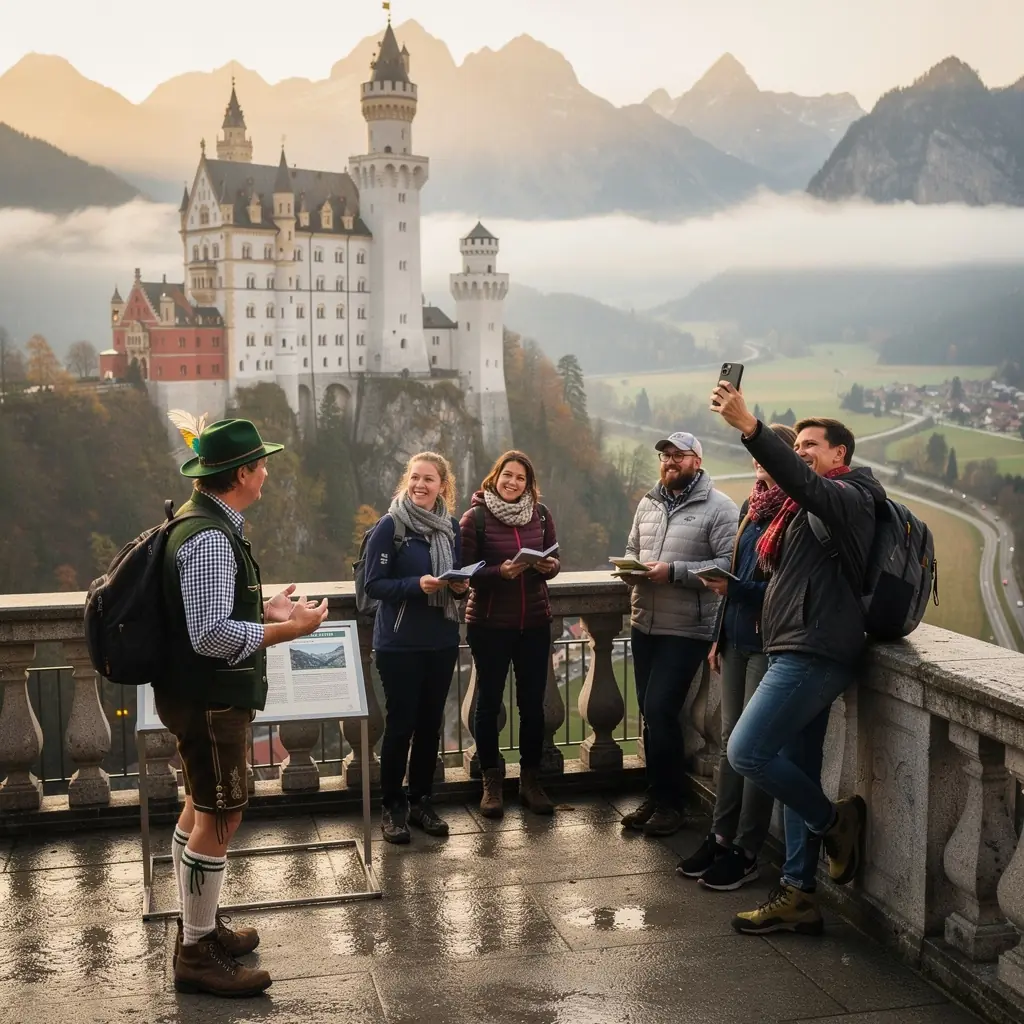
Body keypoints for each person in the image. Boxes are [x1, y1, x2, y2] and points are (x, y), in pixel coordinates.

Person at [157, 417, 329, 997]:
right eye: (261, 464)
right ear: (240, 475)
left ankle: (198, 926)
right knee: (222, 816)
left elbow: (211, 616)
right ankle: (196, 953)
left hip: (203, 697)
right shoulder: (208, 537)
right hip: (212, 700)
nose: (267, 473)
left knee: (199, 806)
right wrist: (292, 629)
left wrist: (267, 607)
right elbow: (208, 635)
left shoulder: (205, 522)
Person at [710, 383, 883, 936]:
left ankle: (836, 821)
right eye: (799, 442)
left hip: (814, 652)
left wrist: (752, 429)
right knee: (800, 767)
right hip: (793, 645)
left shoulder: (852, 497)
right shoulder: (800, 508)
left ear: (841, 456)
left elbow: (802, 482)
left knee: (746, 750)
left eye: (813, 444)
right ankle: (799, 894)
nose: (804, 450)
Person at [677, 422, 796, 891]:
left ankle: (747, 849)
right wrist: (717, 636)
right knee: (729, 744)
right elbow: (735, 572)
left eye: (771, 455)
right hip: (735, 639)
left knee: (752, 750)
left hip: (768, 641)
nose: (760, 461)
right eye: (759, 455)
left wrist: (737, 588)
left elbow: (785, 591)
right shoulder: (752, 505)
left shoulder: (794, 511)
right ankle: (721, 836)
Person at [619, 431, 739, 837]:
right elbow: (633, 546)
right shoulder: (648, 502)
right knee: (652, 718)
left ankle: (672, 805)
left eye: (679, 456)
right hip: (644, 621)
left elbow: (726, 567)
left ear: (697, 462)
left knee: (659, 711)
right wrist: (631, 566)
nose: (669, 461)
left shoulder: (720, 508)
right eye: (665, 455)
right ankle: (657, 796)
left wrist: (673, 572)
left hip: (687, 628)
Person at [364, 451, 468, 844]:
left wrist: (459, 585)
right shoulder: (390, 526)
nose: (421, 485)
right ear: (406, 482)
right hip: (400, 644)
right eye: (415, 478)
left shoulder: (449, 528)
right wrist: (415, 585)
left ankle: (422, 800)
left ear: (443, 486)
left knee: (430, 725)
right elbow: (373, 585)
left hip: (441, 640)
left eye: (429, 479)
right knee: (401, 726)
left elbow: (456, 573)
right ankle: (393, 808)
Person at [460, 450, 560, 818]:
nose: (513, 482)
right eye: (507, 475)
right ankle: (492, 783)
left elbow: (555, 560)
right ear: (495, 477)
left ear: (528, 484)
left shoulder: (542, 515)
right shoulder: (475, 518)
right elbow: (464, 573)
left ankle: (531, 782)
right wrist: (499, 573)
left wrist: (550, 566)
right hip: (489, 625)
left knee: (533, 706)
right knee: (488, 704)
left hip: (534, 623)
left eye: (520, 477)